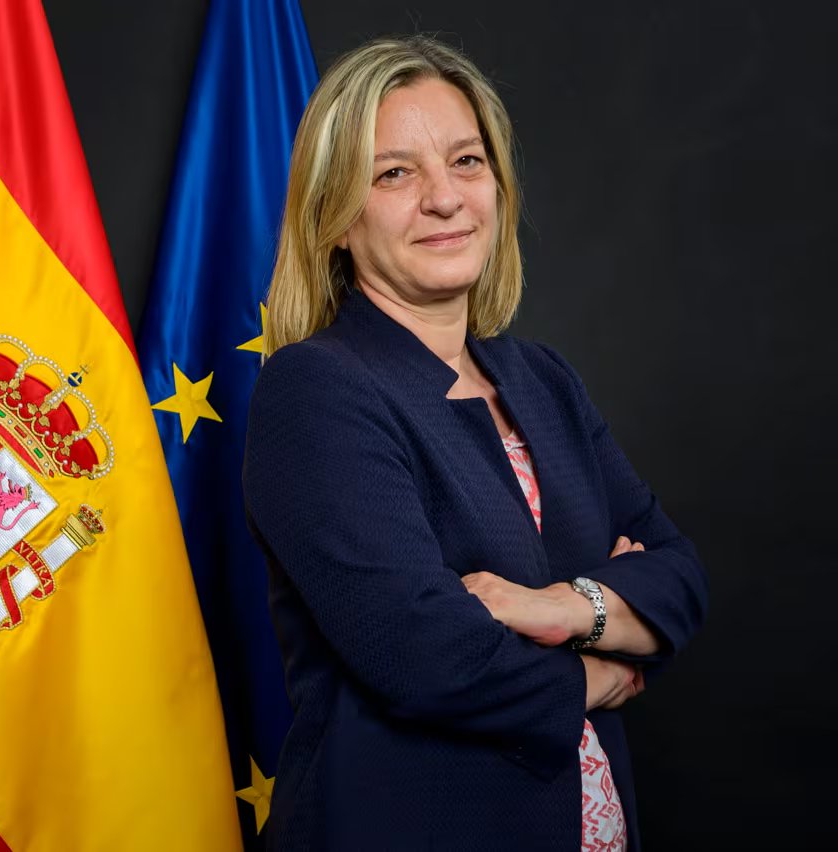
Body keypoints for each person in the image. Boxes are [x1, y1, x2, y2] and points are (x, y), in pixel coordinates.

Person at [243, 35, 708, 850]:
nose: (444, 198)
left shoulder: (542, 379)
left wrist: (557, 608)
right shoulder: (317, 389)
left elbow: (679, 576)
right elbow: (424, 652)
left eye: (466, 161)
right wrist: (603, 663)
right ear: (336, 217)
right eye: (394, 173)